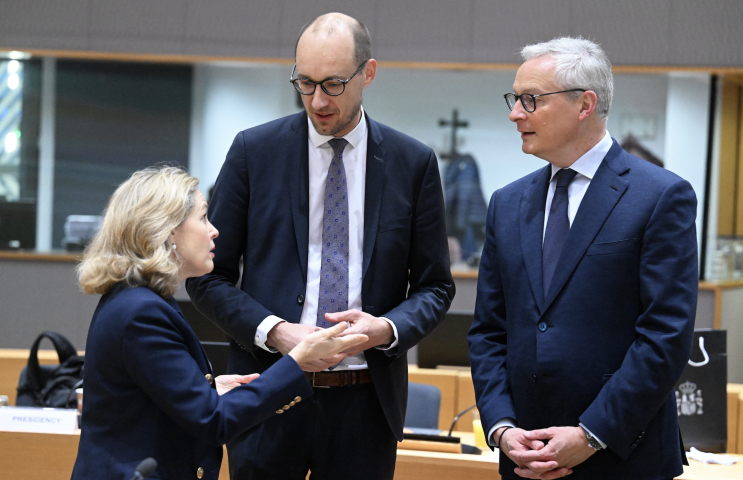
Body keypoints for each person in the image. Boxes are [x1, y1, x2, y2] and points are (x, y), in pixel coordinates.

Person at [186, 12, 454, 480]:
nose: (317, 100)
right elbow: (208, 277)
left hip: (364, 402)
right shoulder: (255, 152)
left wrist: (386, 329)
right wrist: (275, 331)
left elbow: (435, 287)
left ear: (367, 74)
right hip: (270, 392)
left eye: (332, 84)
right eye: (304, 83)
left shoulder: (413, 163)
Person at [468, 37, 697, 480]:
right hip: (524, 457)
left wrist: (590, 434)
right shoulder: (507, 203)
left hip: (622, 458)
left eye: (530, 100)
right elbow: (489, 332)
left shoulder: (659, 196)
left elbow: (664, 338)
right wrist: (501, 427)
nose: (516, 113)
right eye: (515, 99)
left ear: (585, 104)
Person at [70, 166, 367, 480]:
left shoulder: (136, 300)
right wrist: (297, 361)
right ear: (167, 230)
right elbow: (213, 421)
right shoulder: (142, 313)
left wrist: (210, 388)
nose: (215, 231)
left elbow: (153, 395)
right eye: (202, 218)